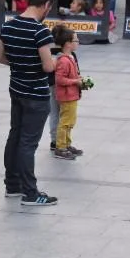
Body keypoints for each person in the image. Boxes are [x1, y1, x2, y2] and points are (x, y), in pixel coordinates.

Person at [0, 0, 57, 206]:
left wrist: (21, 62)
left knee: (15, 136)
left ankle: (12, 185)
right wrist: (56, 61)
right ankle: (30, 193)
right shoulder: (40, 31)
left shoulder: (8, 26)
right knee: (27, 143)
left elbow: (1, 58)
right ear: (46, 5)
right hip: (36, 95)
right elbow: (48, 66)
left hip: (16, 89)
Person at [51, 25, 84, 160]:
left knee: (70, 122)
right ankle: (60, 147)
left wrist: (79, 79)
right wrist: (76, 81)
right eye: (75, 40)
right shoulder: (64, 61)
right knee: (65, 122)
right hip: (67, 96)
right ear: (67, 44)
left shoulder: (70, 57)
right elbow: (59, 79)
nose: (78, 42)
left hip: (72, 95)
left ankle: (67, 144)